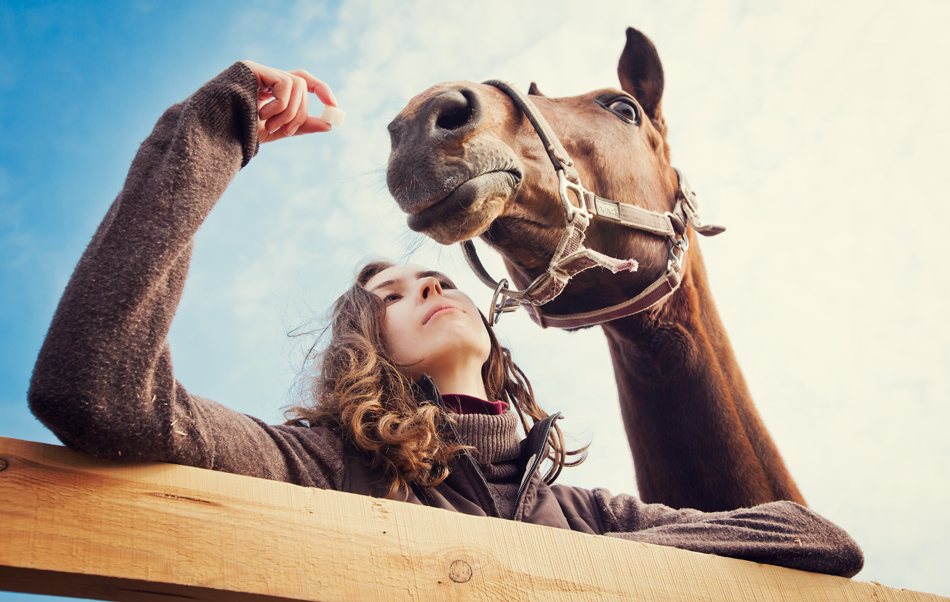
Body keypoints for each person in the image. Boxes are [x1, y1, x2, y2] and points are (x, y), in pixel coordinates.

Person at [27, 60, 863, 578]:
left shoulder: (581, 516)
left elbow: (817, 539)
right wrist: (215, 126)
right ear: (368, 353)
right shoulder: (319, 469)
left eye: (433, 281)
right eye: (389, 296)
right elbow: (93, 391)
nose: (425, 289)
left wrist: (546, 564)